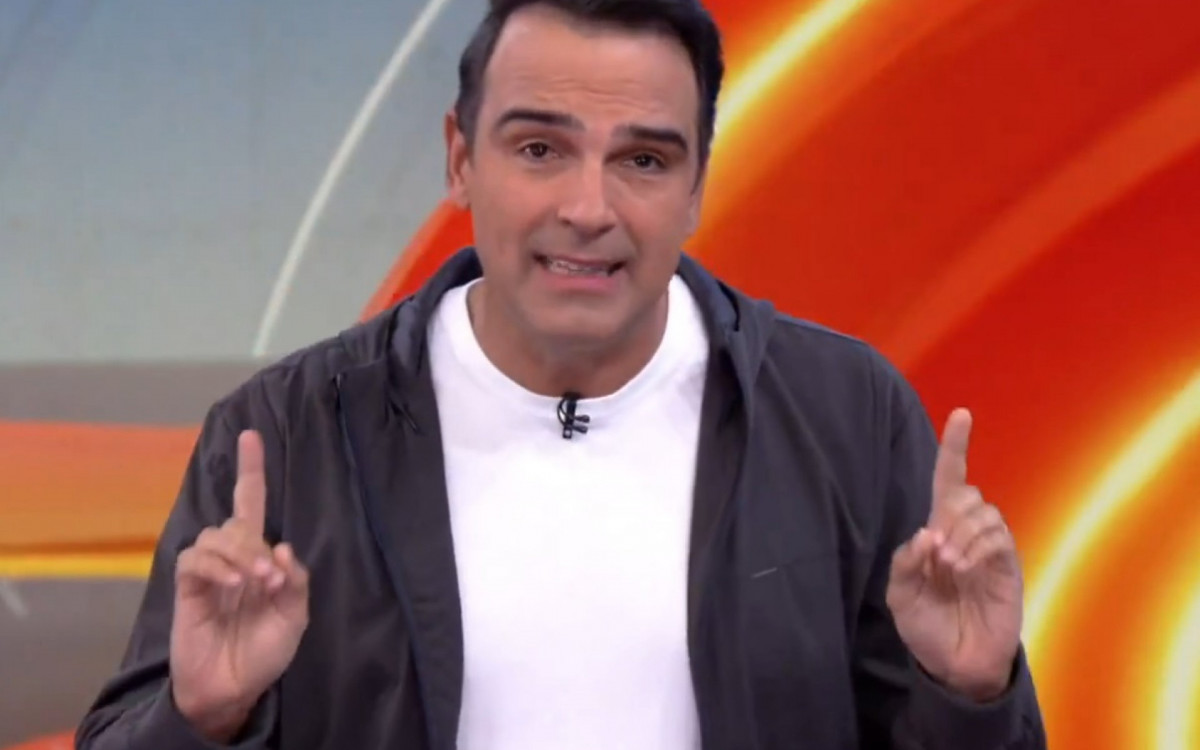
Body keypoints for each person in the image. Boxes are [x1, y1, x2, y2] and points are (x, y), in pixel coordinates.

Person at [76, 0, 1048, 748]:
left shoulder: (845, 412)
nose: (589, 208)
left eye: (644, 160)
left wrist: (971, 696)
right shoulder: (289, 433)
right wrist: (203, 720)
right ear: (460, 160)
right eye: (540, 149)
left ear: (697, 186)